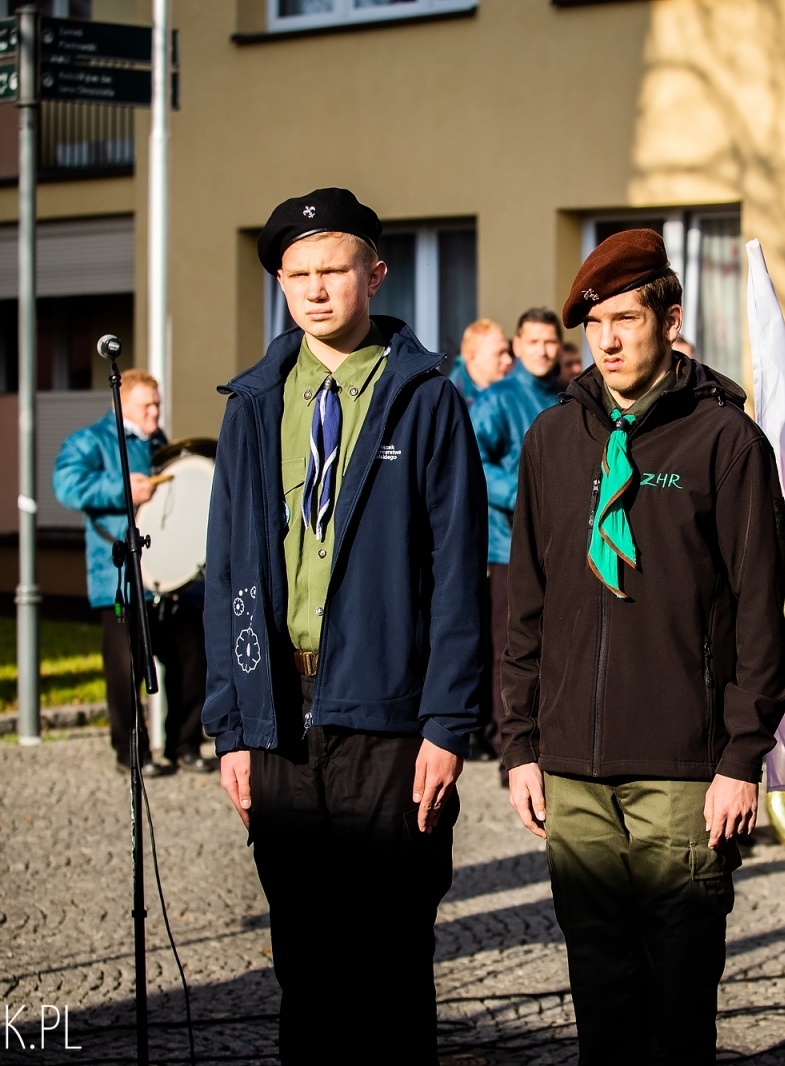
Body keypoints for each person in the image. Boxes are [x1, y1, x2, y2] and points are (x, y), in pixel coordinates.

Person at [202, 188, 485, 1064]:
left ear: (375, 273)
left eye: (334, 270)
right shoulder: (253, 405)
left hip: (388, 723)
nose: (317, 290)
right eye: (299, 276)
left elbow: (458, 576)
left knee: (390, 961)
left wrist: (447, 725)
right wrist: (232, 727)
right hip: (280, 722)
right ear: (280, 285)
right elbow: (227, 575)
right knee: (306, 962)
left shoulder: (426, 400)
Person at [500, 229, 785, 1064]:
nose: (609, 340)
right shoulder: (551, 439)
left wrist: (741, 758)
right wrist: (520, 745)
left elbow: (762, 615)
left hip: (684, 773)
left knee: (678, 995)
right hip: (572, 771)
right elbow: (525, 605)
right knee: (601, 991)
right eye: (595, 324)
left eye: (626, 319)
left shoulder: (726, 441)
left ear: (670, 320)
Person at [53, 369, 214, 776]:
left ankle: (184, 745)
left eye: (157, 405)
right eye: (147, 406)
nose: (155, 413)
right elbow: (66, 485)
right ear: (121, 404)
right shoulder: (90, 441)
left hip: (170, 580)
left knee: (191, 658)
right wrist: (123, 487)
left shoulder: (157, 442)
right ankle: (133, 754)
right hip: (121, 581)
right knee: (126, 672)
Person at [470, 308, 567, 763]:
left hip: (559, 547)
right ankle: (510, 748)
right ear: (517, 345)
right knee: (512, 650)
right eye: (534, 342)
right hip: (506, 546)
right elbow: (471, 460)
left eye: (550, 342)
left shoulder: (569, 396)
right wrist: (522, 494)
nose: (543, 351)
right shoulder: (497, 399)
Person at [447, 318, 512, 406]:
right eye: (499, 353)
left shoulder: (511, 389)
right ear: (473, 357)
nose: (508, 360)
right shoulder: (450, 400)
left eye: (507, 351)